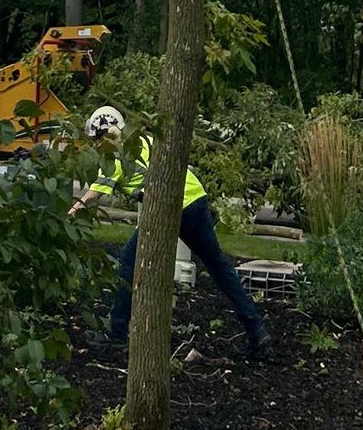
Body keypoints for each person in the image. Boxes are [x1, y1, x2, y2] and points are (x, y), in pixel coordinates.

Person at [75, 104, 271, 361]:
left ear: (104, 133)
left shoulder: (116, 155)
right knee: (219, 267)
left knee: (128, 262)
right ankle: (257, 330)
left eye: (96, 140)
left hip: (167, 209)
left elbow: (94, 194)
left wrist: (70, 214)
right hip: (195, 199)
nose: (97, 146)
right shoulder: (144, 139)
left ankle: (118, 333)